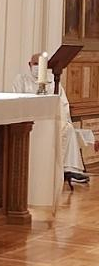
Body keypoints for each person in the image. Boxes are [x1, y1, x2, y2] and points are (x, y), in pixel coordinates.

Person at [12, 54, 94, 184]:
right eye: (35, 64)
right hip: (31, 121)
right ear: (29, 65)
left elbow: (62, 102)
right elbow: (18, 101)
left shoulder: (53, 81)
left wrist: (63, 118)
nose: (38, 67)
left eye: (41, 64)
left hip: (51, 120)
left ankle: (69, 169)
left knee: (67, 129)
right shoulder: (22, 80)